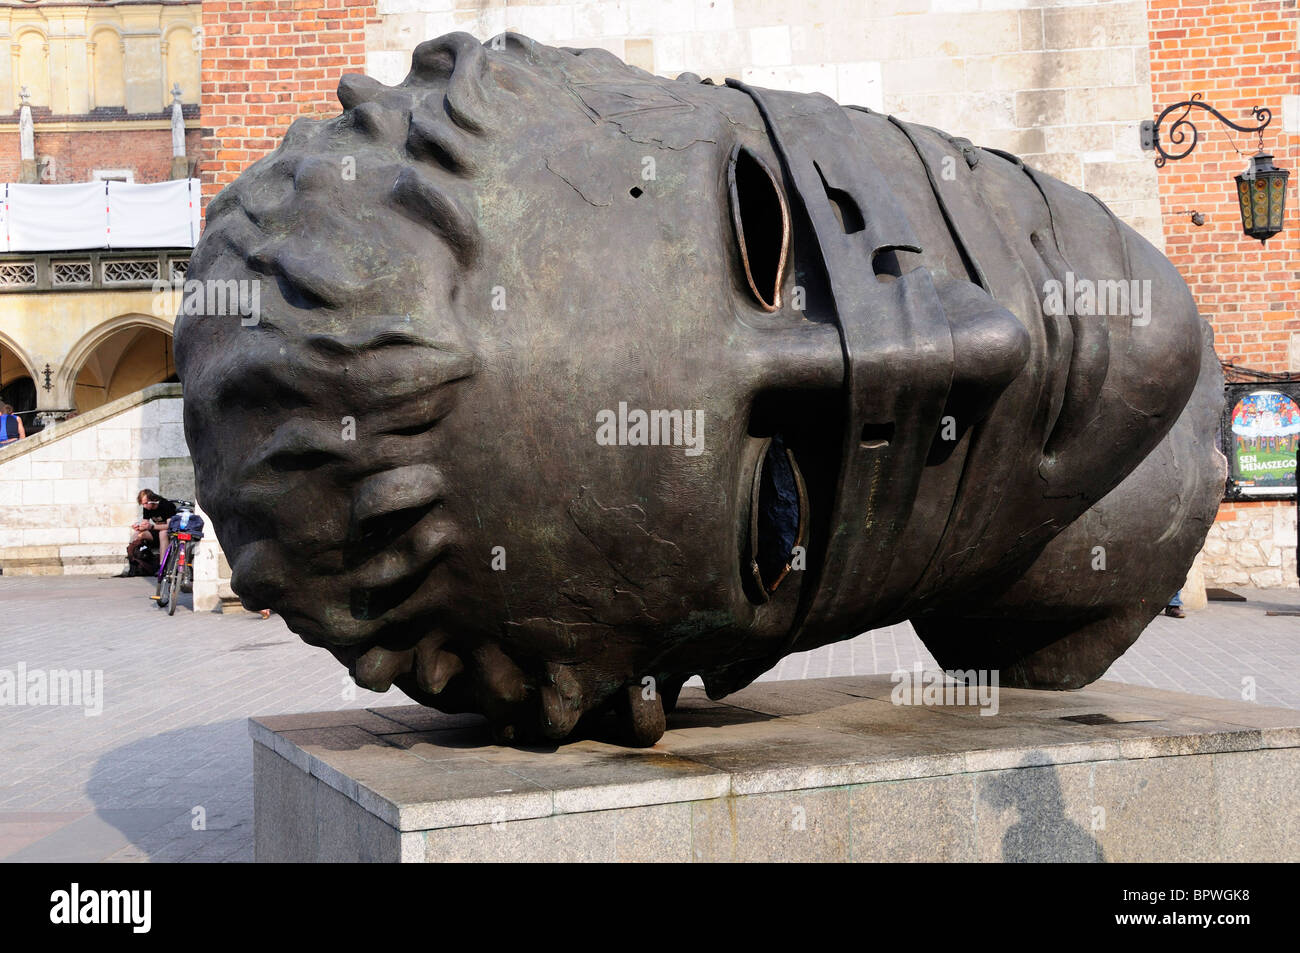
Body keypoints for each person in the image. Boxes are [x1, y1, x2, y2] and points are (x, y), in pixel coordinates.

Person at [117, 489, 178, 577]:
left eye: (146, 503)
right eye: (143, 504)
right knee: (137, 534)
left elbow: (169, 526)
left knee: (163, 533)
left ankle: (162, 566)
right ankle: (134, 563)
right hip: (156, 531)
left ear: (152, 500)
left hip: (169, 533)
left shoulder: (166, 505)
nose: (144, 506)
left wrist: (152, 527)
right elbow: (145, 523)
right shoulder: (147, 508)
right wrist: (139, 527)